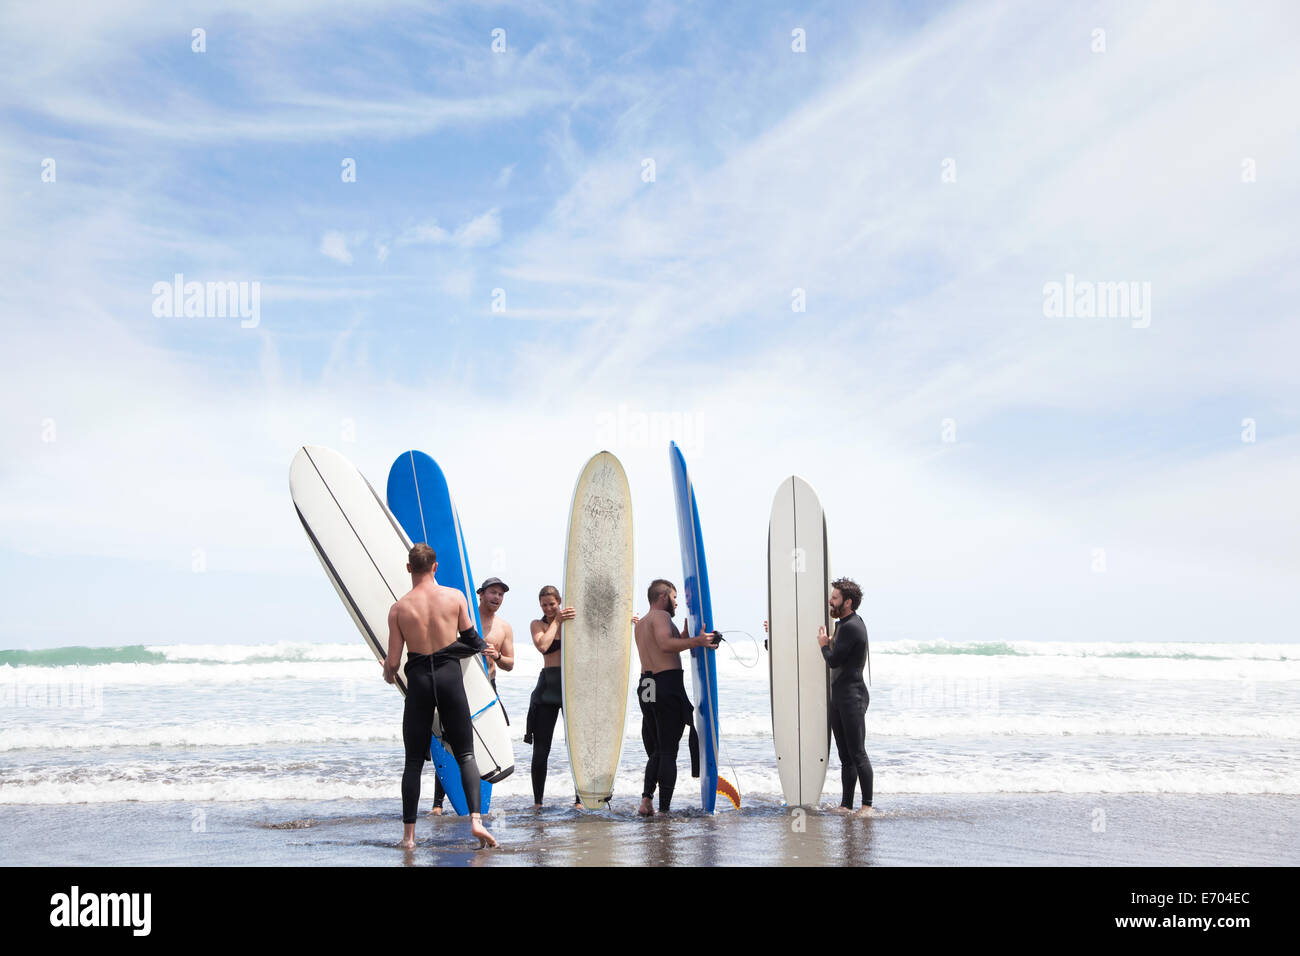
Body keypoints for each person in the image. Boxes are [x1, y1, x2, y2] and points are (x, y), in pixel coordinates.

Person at [382, 543, 496, 848]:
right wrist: (452, 649)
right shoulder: (455, 597)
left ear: (409, 569)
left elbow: (393, 664)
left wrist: (387, 672)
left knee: (413, 763)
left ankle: (408, 837)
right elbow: (474, 641)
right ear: (435, 567)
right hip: (449, 679)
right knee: (466, 754)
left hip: (419, 682)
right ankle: (475, 821)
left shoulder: (399, 609)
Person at [430, 576, 515, 816]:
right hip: (458, 684)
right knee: (450, 741)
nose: (497, 597)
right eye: (493, 592)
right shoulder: (466, 618)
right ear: (481, 594)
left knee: (484, 742)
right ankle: (438, 803)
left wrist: (497, 656)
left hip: (488, 689)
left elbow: (510, 664)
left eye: (501, 594)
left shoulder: (504, 627)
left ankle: (478, 802)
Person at [633, 579, 715, 814]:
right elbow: (666, 645)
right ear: (663, 597)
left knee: (658, 748)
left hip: (646, 685)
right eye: (675, 597)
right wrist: (698, 641)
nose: (677, 603)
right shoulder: (661, 617)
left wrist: (687, 637)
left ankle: (646, 800)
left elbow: (664, 645)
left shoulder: (641, 624)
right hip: (666, 683)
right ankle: (664, 811)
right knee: (669, 750)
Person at [817, 577, 873, 817]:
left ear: (847, 602)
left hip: (852, 697)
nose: (831, 600)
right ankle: (846, 805)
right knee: (845, 756)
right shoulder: (842, 624)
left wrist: (823, 646)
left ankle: (867, 806)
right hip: (840, 697)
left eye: (835, 597)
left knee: (857, 753)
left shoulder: (852, 626)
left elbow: (833, 660)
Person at [525, 586, 580, 808]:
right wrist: (556, 620)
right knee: (541, 750)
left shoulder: (572, 623)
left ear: (559, 601)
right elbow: (543, 645)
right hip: (547, 689)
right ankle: (538, 802)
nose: (548, 608)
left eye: (552, 604)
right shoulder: (538, 625)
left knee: (576, 747)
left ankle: (580, 799)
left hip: (571, 687)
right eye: (544, 605)